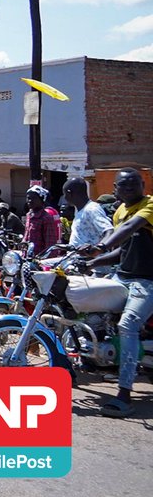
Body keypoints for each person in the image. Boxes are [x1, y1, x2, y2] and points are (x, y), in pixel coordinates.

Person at [83, 169, 153, 418]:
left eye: (134, 184)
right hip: (121, 275)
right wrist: (93, 261)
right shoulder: (120, 211)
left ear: (143, 185)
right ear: (115, 189)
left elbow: (130, 229)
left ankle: (124, 394)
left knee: (128, 325)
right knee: (82, 302)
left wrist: (101, 246)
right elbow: (121, 250)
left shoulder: (149, 205)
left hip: (147, 281)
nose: (130, 188)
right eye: (124, 185)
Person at [63, 176, 112, 248]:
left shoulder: (91, 209)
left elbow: (109, 231)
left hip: (89, 258)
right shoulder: (79, 210)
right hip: (76, 257)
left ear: (69, 193)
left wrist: (99, 248)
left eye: (65, 194)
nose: (64, 197)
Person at [23, 186, 61, 256]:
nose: (30, 201)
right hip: (28, 256)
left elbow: (50, 243)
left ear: (42, 200)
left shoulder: (46, 218)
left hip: (40, 258)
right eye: (28, 198)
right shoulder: (29, 215)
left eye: (34, 198)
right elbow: (26, 234)